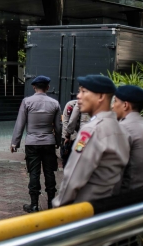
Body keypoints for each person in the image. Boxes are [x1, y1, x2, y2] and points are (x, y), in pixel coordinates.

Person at [52, 75, 130, 207]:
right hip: (108, 205)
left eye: (84, 91)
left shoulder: (91, 130)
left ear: (100, 97)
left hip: (86, 208)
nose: (78, 96)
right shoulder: (121, 129)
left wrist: (58, 207)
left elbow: (73, 176)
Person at [10, 76, 62, 212]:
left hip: (32, 142)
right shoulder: (54, 103)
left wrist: (15, 143)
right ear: (47, 87)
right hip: (49, 142)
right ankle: (51, 204)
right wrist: (57, 141)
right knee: (50, 172)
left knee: (34, 172)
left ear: (34, 87)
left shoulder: (27, 102)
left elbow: (20, 123)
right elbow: (58, 126)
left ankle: (34, 205)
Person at [112, 85, 143, 193]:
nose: (113, 106)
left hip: (129, 200)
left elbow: (115, 173)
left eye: (115, 101)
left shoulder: (122, 129)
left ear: (125, 105)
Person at [61, 100, 90, 168]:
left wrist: (68, 136)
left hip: (80, 138)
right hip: (83, 138)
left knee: (72, 157)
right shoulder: (71, 105)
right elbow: (67, 123)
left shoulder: (78, 103)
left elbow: (70, 121)